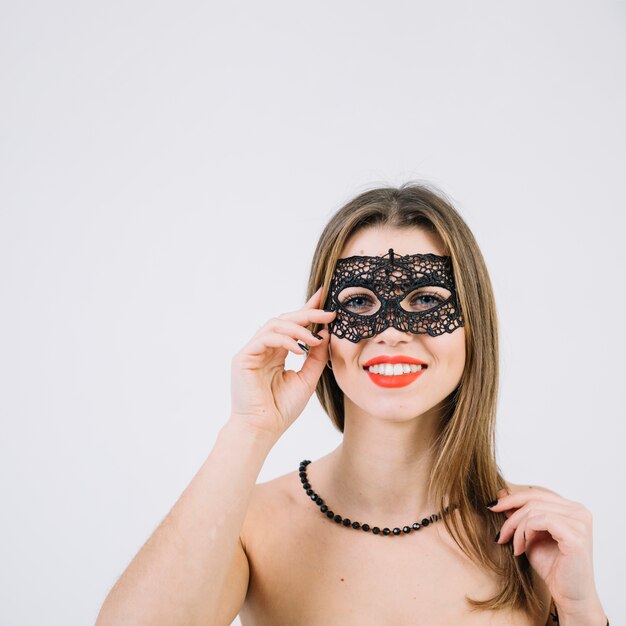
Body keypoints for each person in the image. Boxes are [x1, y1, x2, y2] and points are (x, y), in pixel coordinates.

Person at [95, 183, 608, 626]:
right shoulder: (252, 526)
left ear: (473, 328)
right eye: (359, 302)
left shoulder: (533, 537)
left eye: (426, 301)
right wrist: (248, 430)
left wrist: (582, 611)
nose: (389, 331)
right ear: (319, 326)